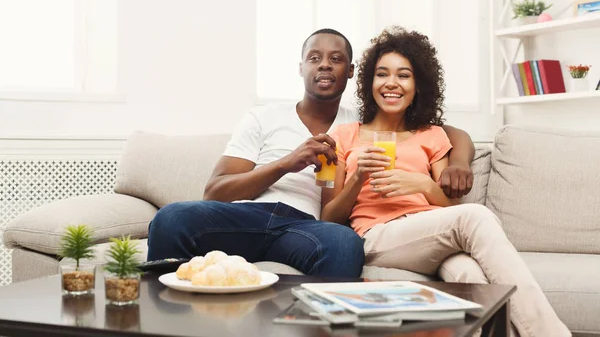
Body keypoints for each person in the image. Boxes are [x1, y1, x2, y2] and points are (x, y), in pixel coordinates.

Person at [147, 28, 475, 278]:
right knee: (171, 218)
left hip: (306, 227)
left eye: (336, 59)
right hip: (246, 217)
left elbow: (445, 133)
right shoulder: (264, 116)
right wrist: (287, 163)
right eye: (314, 58)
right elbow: (215, 192)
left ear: (351, 72)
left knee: (345, 244)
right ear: (301, 67)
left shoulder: (357, 126)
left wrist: (458, 162)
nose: (324, 66)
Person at [321, 26, 570, 336]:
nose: (391, 83)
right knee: (475, 217)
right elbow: (327, 218)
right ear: (370, 82)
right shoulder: (342, 136)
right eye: (382, 74)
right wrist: (358, 178)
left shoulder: (433, 135)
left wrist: (422, 185)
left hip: (432, 235)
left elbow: (448, 205)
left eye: (404, 75)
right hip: (377, 237)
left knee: (471, 278)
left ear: (417, 85)